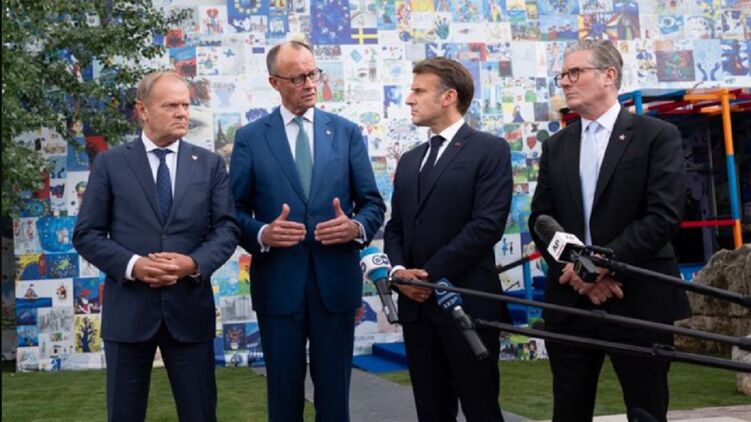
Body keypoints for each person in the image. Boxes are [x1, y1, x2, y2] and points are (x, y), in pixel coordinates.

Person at [528, 39, 690, 422]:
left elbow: (663, 216)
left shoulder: (656, 135)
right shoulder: (556, 146)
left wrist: (599, 265)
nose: (565, 82)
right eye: (562, 75)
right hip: (570, 300)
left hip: (637, 297)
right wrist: (579, 272)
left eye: (575, 72)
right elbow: (541, 219)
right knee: (568, 410)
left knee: (646, 410)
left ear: (608, 75)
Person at [229, 41, 385, 422]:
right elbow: (232, 212)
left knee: (334, 401)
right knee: (283, 399)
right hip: (278, 286)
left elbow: (373, 204)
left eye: (313, 73)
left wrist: (355, 227)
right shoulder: (250, 138)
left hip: (336, 286)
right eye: (298, 77)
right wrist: (262, 233)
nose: (310, 83)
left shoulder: (346, 133)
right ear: (275, 82)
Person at [73, 71, 239, 422]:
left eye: (185, 105)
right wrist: (134, 265)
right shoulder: (110, 163)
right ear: (142, 110)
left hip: (189, 313)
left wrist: (191, 264)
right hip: (129, 314)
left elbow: (227, 230)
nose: (182, 113)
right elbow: (87, 234)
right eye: (171, 105)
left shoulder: (209, 164)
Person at [384, 57, 513, 422]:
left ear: (448, 97)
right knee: (431, 411)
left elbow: (486, 226)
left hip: (467, 304)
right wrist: (399, 273)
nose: (409, 99)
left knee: (481, 409)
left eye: (418, 90)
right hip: (417, 311)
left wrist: (425, 276)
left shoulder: (489, 150)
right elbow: (396, 227)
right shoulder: (410, 160)